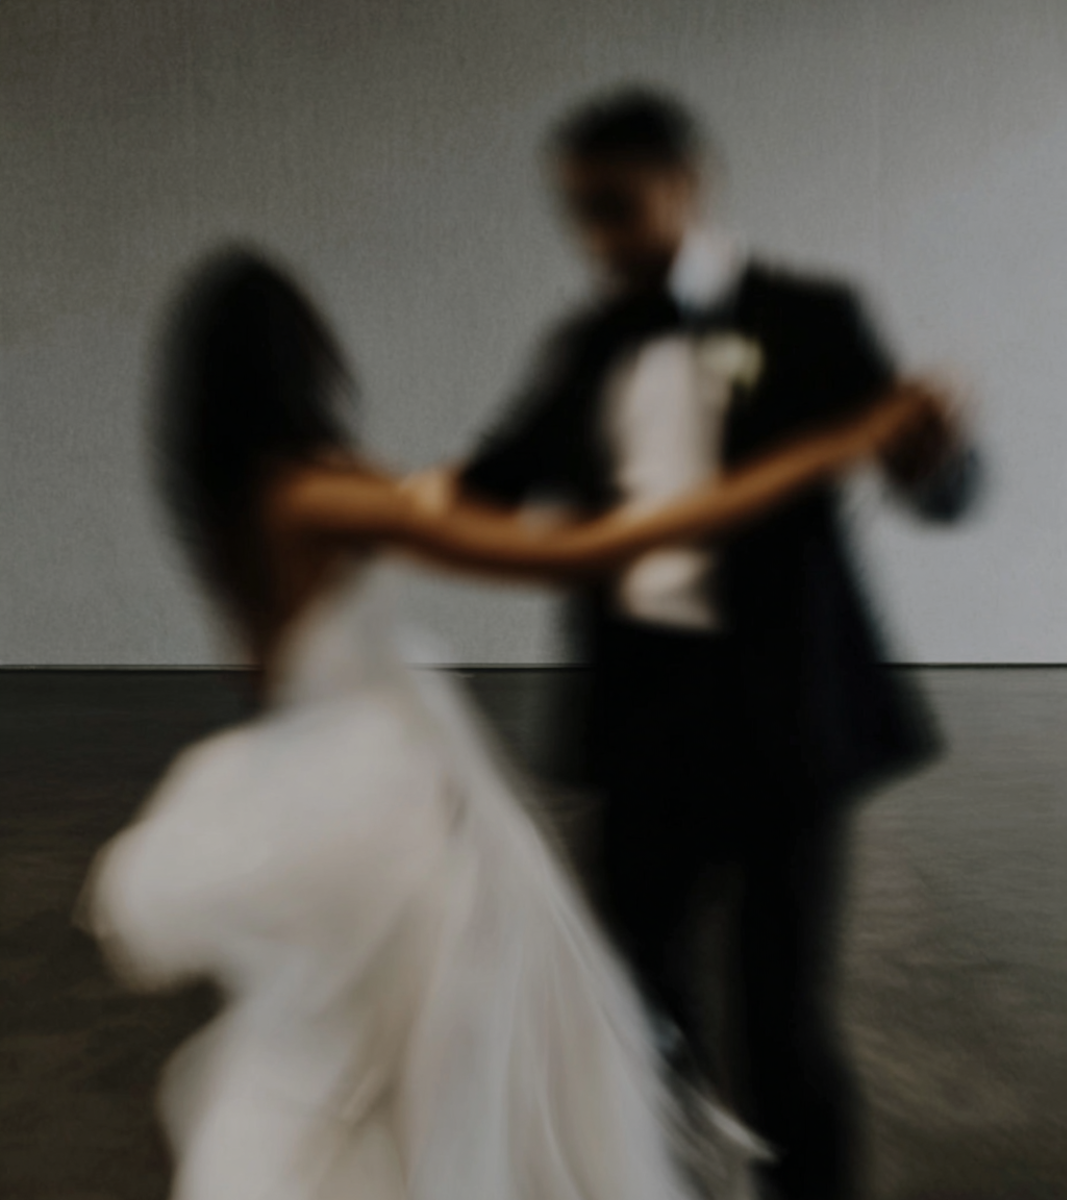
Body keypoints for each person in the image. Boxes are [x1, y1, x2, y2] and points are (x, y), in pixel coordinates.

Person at [78, 248, 944, 1200]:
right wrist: (819, 452)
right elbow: (575, 549)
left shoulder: (241, 507)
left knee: (340, 1046)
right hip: (382, 794)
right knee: (453, 1046)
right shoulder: (319, 494)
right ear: (295, 366)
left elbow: (429, 502)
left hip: (309, 770)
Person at [451, 88, 982, 1200]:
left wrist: (933, 455)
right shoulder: (587, 341)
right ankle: (668, 1178)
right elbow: (492, 475)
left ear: (685, 184)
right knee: (628, 999)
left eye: (613, 206)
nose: (594, 236)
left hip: (782, 724)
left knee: (780, 1023)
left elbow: (927, 483)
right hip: (641, 723)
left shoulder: (808, 315)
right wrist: (342, 493)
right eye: (577, 213)